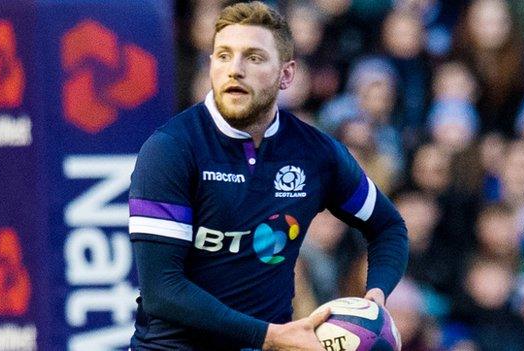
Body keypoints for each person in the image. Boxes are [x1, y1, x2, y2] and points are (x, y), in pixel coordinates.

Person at [129, 2, 408, 350]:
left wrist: (374, 299)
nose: (235, 70)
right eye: (224, 55)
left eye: (254, 57)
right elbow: (162, 291)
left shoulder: (315, 153)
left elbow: (388, 227)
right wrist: (271, 336)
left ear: (286, 75)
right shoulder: (170, 149)